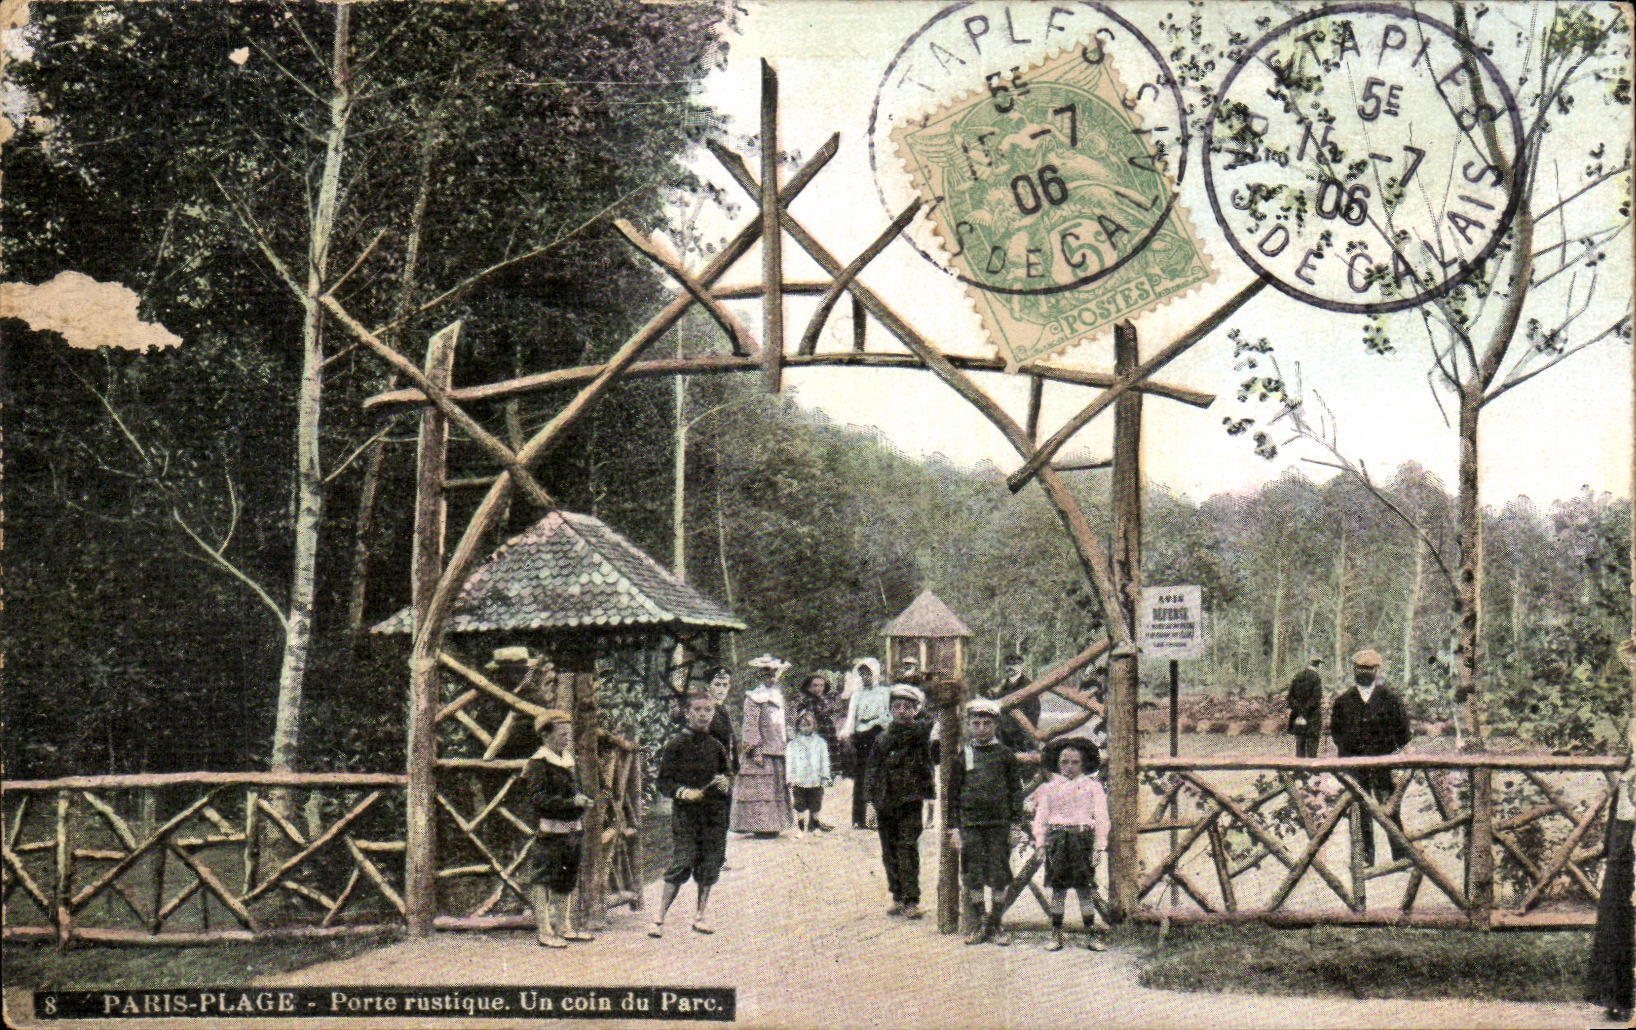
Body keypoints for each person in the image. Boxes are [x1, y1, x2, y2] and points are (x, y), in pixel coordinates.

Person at [651, 692, 733, 937]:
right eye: (697, 709)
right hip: (687, 815)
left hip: (714, 815)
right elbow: (663, 782)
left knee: (710, 862)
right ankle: (659, 918)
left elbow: (728, 775)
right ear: (687, 713)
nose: (702, 714)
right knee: (683, 860)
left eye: (708, 710)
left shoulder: (716, 746)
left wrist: (724, 781)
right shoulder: (675, 746)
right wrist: (683, 792)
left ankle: (700, 915)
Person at [947, 697, 1023, 946]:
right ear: (969, 725)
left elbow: (1015, 792)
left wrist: (1015, 825)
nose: (981, 728)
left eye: (986, 723)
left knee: (999, 875)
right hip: (971, 825)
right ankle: (980, 923)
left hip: (998, 826)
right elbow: (953, 795)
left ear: (996, 725)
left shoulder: (1005, 755)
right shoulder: (964, 755)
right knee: (974, 875)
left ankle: (996, 925)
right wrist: (954, 829)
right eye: (976, 723)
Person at [1328, 649, 1411, 864]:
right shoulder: (1343, 701)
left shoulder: (1390, 699)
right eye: (1359, 668)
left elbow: (1403, 733)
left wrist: (1388, 752)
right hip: (1356, 767)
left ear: (1376, 671)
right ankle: (1365, 855)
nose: (1364, 672)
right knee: (1360, 809)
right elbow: (1336, 733)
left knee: (1389, 807)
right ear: (1353, 670)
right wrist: (1350, 756)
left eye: (1368, 669)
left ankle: (1401, 854)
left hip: (1382, 765)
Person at [523, 708, 594, 947]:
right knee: (544, 878)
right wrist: (569, 803)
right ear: (546, 735)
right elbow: (538, 799)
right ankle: (544, 930)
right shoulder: (539, 763)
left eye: (568, 734)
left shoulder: (568, 761)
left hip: (572, 830)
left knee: (567, 878)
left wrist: (581, 802)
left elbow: (575, 792)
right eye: (562, 734)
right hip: (551, 832)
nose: (566, 739)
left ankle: (563, 926)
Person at [867, 683, 937, 919]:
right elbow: (872, 772)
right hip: (886, 801)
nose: (902, 711)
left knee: (908, 848)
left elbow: (927, 766)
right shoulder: (882, 739)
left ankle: (911, 900)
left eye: (908, 707)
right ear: (890, 710)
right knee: (889, 851)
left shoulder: (919, 734)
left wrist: (930, 799)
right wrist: (870, 804)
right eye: (897, 706)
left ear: (916, 710)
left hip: (911, 800)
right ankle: (897, 896)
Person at [1032, 738, 1110, 951]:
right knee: (1058, 889)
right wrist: (1040, 843)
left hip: (1082, 839)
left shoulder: (1093, 787)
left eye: (1074, 762)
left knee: (1085, 888)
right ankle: (1056, 933)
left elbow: (1102, 818)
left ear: (1083, 764)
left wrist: (1099, 846)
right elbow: (1041, 817)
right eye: (1064, 762)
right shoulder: (1049, 788)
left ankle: (1091, 934)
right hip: (1058, 839)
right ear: (1057, 763)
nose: (1069, 767)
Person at [1585, 767, 1634, 1022]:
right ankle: (1618, 999)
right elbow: (1616, 830)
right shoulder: (1626, 783)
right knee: (1616, 925)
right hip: (1624, 863)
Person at [731, 655, 794, 836]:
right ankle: (761, 826)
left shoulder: (778, 696)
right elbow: (750, 724)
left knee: (775, 787)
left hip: (777, 747)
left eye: (773, 673)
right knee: (761, 788)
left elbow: (782, 722)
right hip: (762, 750)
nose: (770, 677)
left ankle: (774, 825)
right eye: (766, 674)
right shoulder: (754, 697)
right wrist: (755, 748)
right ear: (760, 675)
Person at [841, 657, 891, 829]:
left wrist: (883, 727)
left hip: (879, 732)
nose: (865, 677)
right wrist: (849, 734)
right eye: (862, 674)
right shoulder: (857, 694)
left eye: (868, 673)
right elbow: (851, 716)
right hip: (862, 736)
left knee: (880, 774)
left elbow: (888, 713)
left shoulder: (885, 692)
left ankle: (880, 818)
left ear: (875, 673)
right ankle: (859, 818)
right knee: (862, 776)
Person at [786, 709, 834, 834]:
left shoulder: (820, 743)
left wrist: (825, 776)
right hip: (799, 779)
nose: (806, 728)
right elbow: (790, 762)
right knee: (799, 804)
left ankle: (814, 826)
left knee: (815, 803)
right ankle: (800, 827)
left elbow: (824, 760)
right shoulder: (793, 744)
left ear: (814, 725)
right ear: (798, 726)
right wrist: (789, 778)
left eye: (809, 725)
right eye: (803, 725)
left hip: (815, 779)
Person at [991, 654, 1042, 756]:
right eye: (1007, 664)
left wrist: (1027, 734)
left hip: (1021, 738)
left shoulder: (1028, 686)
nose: (1010, 667)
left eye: (1014, 664)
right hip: (1003, 736)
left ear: (1021, 666)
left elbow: (1034, 712)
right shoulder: (1002, 687)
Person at [792, 672, 841, 761]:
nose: (819, 688)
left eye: (821, 686)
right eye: (815, 685)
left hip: (828, 732)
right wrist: (826, 711)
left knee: (830, 758)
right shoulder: (806, 701)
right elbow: (809, 719)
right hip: (817, 734)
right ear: (809, 687)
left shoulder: (823, 700)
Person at [1287, 656, 1325, 758]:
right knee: (1312, 745)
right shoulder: (1316, 677)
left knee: (1300, 745)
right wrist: (1305, 711)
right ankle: (1311, 770)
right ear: (1318, 665)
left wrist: (1299, 711)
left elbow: (1290, 698)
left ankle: (1299, 771)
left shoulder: (1297, 676)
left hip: (1298, 717)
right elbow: (1316, 697)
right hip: (1312, 717)